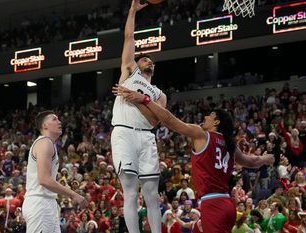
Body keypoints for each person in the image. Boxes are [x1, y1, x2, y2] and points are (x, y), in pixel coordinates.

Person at [112, 85, 275, 233]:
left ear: (216, 122)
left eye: (209, 116)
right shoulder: (230, 144)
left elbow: (170, 121)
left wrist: (145, 99)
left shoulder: (202, 134)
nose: (205, 117)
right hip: (227, 204)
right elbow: (252, 162)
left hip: (214, 204)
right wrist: (266, 158)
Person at [110, 0, 167, 232]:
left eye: (151, 61)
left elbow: (155, 121)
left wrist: (137, 98)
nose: (149, 61)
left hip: (146, 137)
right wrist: (132, 10)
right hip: (123, 132)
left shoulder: (160, 95)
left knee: (152, 194)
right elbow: (129, 38)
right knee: (131, 191)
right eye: (145, 59)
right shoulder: (129, 70)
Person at [22, 110, 87, 233]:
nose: (59, 122)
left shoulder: (48, 144)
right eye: (54, 119)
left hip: (47, 203)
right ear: (44, 126)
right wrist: (74, 195)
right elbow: (44, 179)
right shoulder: (44, 143)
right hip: (40, 203)